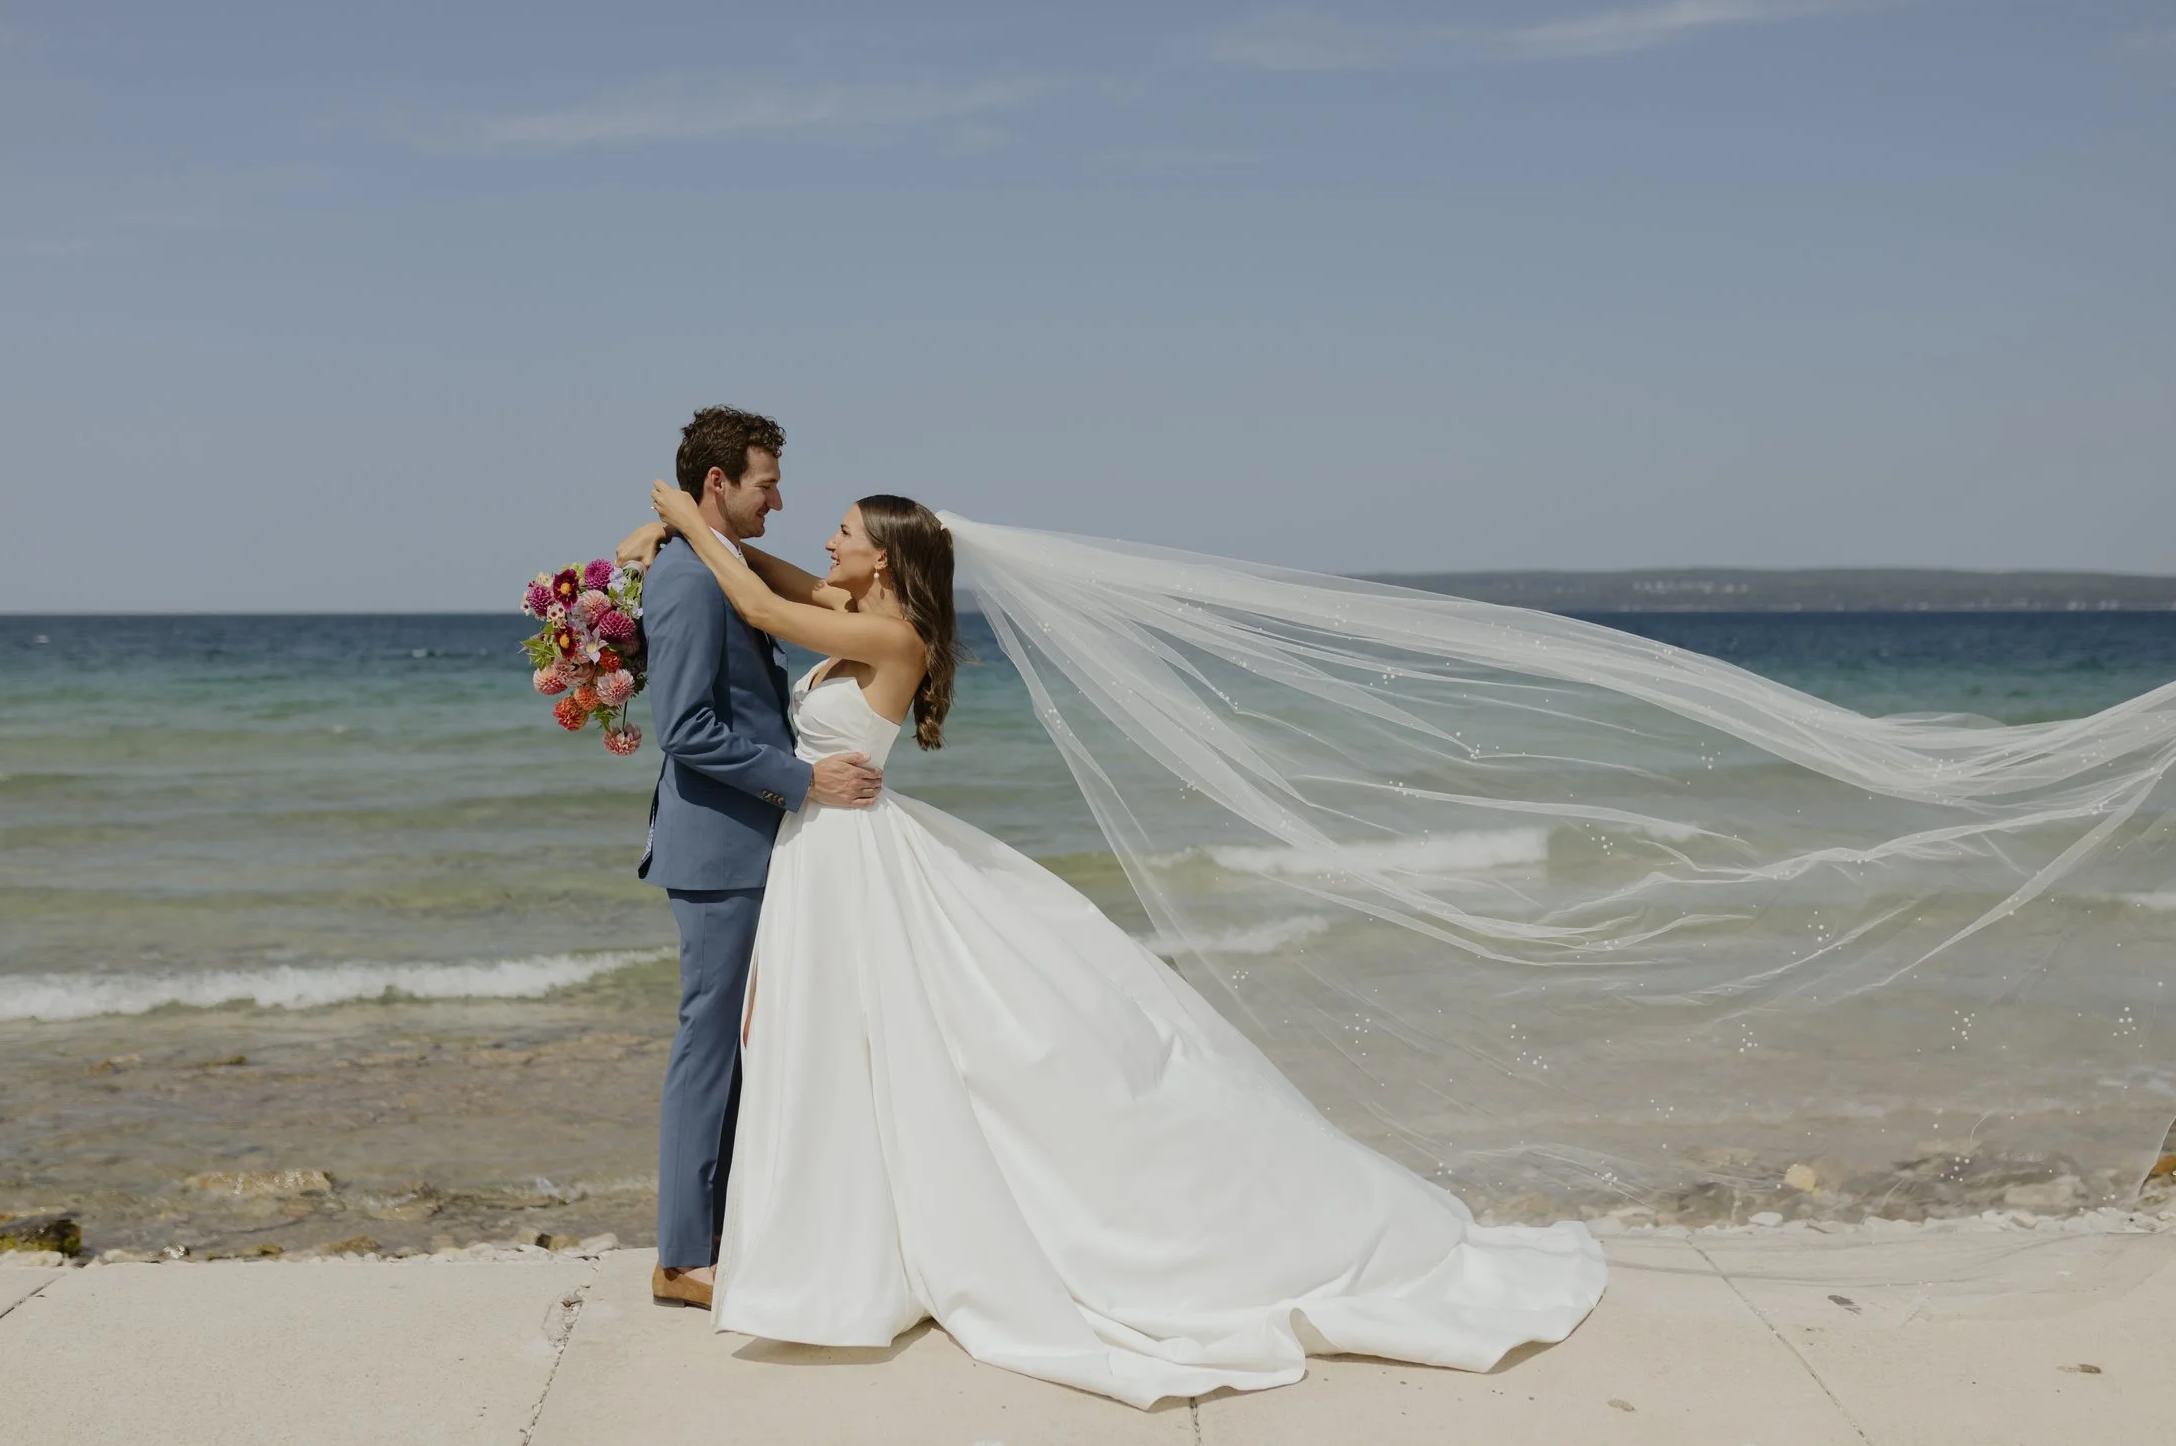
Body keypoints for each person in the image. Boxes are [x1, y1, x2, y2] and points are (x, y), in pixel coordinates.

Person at [632, 477, 1606, 1409]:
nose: (828, 541)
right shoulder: (860, 609)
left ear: (883, 561)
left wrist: (683, 514)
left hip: (855, 858)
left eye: (846, 529)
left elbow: (759, 608)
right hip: (825, 859)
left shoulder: (894, 634)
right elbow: (765, 577)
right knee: (837, 1050)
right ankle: (849, 1240)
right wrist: (675, 538)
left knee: (931, 1045)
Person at [624, 407, 882, 1311]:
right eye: (767, 483)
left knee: (740, 1043)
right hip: (718, 850)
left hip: (746, 842)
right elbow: (688, 729)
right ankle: (681, 1256)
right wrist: (804, 779)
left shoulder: (711, 565)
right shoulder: (692, 583)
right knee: (707, 1043)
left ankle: (724, 1228)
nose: (780, 497)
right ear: (718, 485)